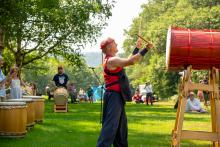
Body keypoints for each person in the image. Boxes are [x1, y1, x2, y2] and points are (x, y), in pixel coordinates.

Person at [97, 37, 153, 147]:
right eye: (114, 43)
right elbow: (131, 61)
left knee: (121, 128)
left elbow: (127, 60)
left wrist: (136, 48)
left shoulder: (113, 60)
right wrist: (146, 49)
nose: (117, 43)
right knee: (110, 127)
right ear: (109, 47)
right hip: (114, 97)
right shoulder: (112, 60)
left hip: (116, 97)